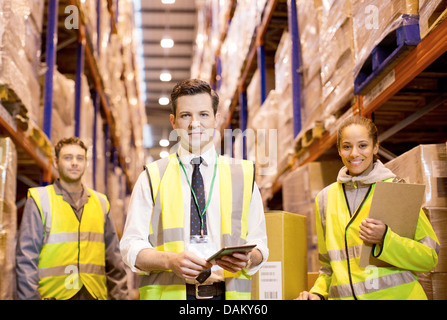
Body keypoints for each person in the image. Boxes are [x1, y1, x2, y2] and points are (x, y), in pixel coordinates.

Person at [120, 79, 268, 300]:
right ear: (173, 121)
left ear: (216, 119)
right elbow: (130, 247)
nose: (194, 124)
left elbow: (261, 246)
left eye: (203, 115)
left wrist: (248, 259)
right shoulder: (151, 177)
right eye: (186, 115)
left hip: (228, 297)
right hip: (171, 295)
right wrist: (169, 261)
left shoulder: (243, 176)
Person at [297, 116, 439, 300]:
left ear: (375, 147)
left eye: (363, 145)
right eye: (347, 146)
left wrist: (386, 239)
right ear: (339, 150)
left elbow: (429, 257)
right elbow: (328, 267)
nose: (354, 153)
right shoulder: (325, 198)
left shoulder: (395, 189)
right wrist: (317, 293)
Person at [16, 137, 129, 300]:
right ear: (55, 162)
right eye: (68, 158)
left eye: (80, 158)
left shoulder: (101, 203)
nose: (74, 163)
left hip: (94, 295)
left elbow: (115, 262)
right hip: (54, 296)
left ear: (86, 163)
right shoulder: (39, 200)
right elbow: (26, 258)